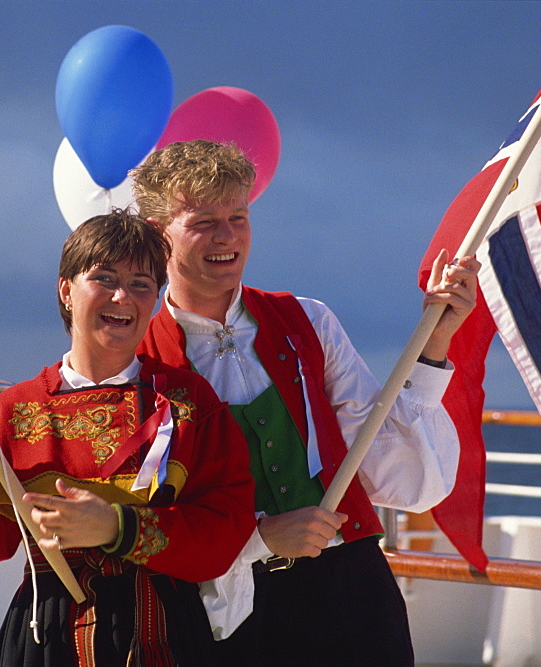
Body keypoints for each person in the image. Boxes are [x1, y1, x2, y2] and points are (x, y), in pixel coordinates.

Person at [131, 140, 481, 665]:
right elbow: (153, 527)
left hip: (352, 596)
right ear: (160, 235)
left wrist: (436, 342)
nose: (227, 236)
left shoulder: (309, 323)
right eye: (204, 221)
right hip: (229, 611)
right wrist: (259, 538)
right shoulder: (141, 364)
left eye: (239, 216)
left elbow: (401, 479)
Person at [0, 208, 256, 666]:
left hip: (167, 635)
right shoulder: (12, 412)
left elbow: (225, 531)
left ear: (155, 299)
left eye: (141, 284)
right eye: (104, 278)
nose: (123, 296)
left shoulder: (189, 401)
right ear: (66, 292)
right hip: (47, 637)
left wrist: (118, 528)